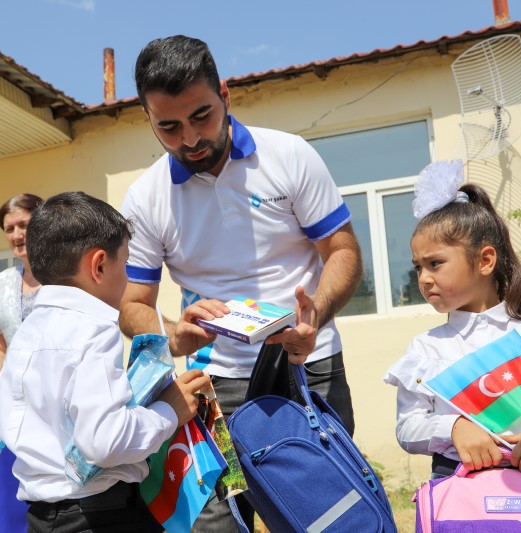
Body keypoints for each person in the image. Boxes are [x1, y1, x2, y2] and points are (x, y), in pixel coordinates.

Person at [119, 35, 362, 531]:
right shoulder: (145, 197)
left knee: (327, 519)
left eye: (202, 116)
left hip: (308, 368)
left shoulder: (289, 155)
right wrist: (175, 335)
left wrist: (314, 315)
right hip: (214, 389)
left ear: (225, 95)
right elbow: (131, 305)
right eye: (168, 126)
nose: (190, 139)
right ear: (147, 118)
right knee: (220, 524)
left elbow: (343, 252)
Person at [0, 191, 212, 533]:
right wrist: (170, 411)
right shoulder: (94, 330)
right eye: (125, 264)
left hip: (43, 516)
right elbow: (104, 442)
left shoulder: (26, 332)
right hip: (101, 515)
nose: (126, 278)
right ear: (98, 266)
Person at [384, 161, 521, 480]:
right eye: (418, 267)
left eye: (435, 263)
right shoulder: (426, 348)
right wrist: (454, 427)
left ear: (485, 261)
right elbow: (408, 426)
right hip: (457, 485)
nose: (424, 278)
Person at [0, 192, 43, 531]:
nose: (17, 235)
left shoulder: (67, 277)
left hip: (59, 413)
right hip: (13, 416)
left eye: (24, 224)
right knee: (10, 515)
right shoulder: (2, 283)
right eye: (10, 229)